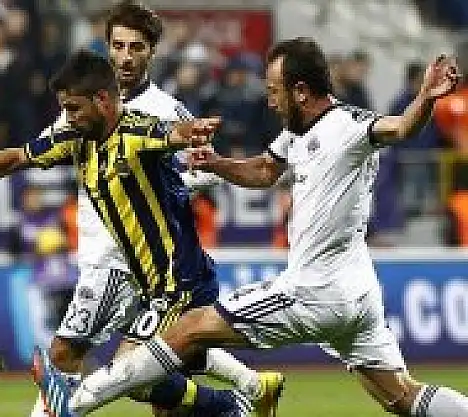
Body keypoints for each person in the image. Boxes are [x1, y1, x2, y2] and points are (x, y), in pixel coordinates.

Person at [44, 38, 468, 417]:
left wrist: (425, 97)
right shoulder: (297, 132)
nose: (270, 102)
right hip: (357, 291)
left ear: (300, 91)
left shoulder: (349, 125)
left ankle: (76, 402)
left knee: (189, 327)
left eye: (274, 91)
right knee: (402, 396)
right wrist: (217, 164)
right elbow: (265, 171)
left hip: (315, 290)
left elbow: (401, 127)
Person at [0, 45, 283, 417]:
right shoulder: (75, 139)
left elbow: (168, 133)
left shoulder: (135, 131)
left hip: (180, 281)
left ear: (102, 100)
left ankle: (70, 405)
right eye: (64, 109)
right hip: (149, 285)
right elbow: (19, 156)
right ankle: (235, 401)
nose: (68, 118)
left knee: (131, 371)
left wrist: (189, 133)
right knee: (150, 382)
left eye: (73, 108)